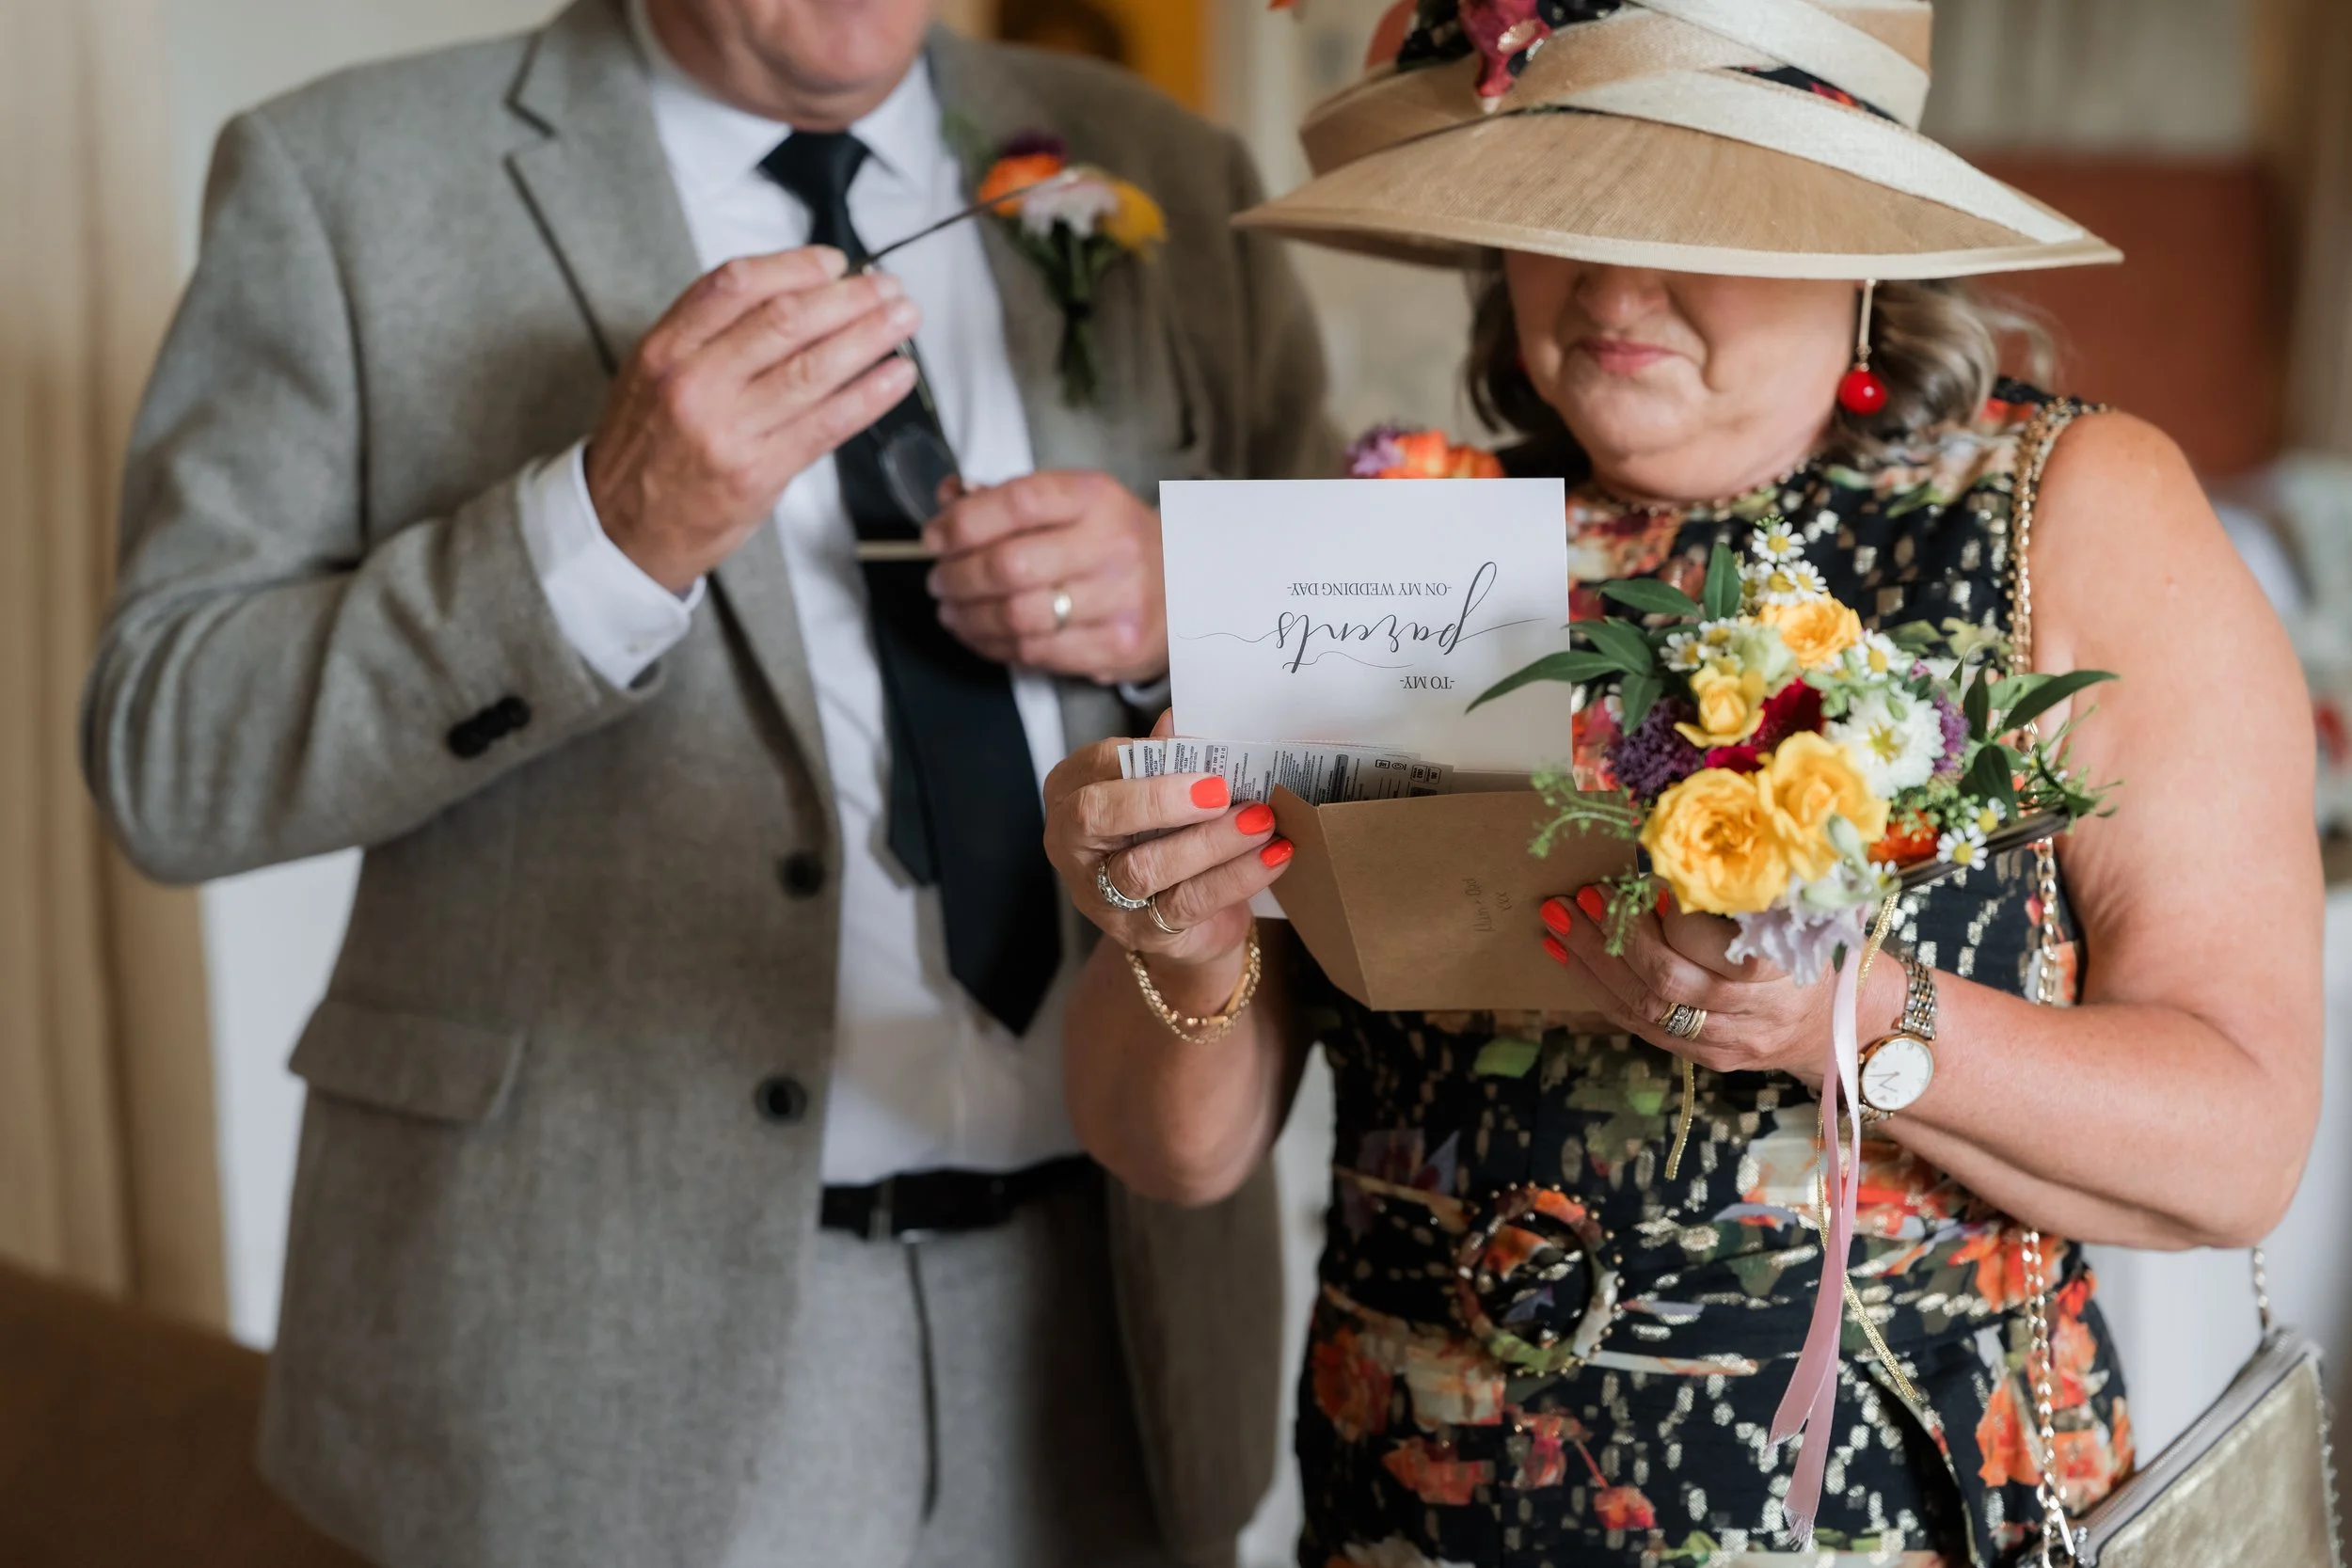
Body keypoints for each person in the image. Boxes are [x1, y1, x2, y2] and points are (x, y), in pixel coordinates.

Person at [1046, 2, 2325, 1564]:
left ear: (1853, 238)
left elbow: (2238, 1148)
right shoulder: (1399, 539)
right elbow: (1171, 1150)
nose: (1606, 285)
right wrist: (1177, 945)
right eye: (1560, 204)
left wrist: (1848, 1020)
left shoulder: (2067, 514)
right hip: (1422, 1520)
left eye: (1693, 211)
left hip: (1887, 1518)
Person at [82, 0, 1334, 1564]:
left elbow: (1378, 701)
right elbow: (167, 754)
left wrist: (1193, 592)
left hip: (1128, 1333)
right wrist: (595, 535)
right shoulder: (340, 179)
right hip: (588, 1358)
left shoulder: (1163, 168)